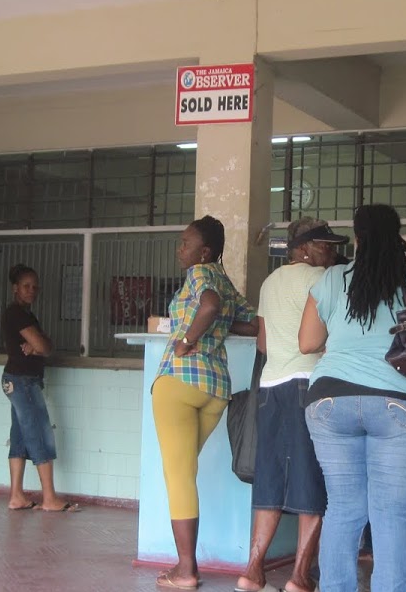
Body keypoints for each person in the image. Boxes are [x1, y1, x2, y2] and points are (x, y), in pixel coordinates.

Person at [299, 204, 406, 592]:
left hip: (330, 401)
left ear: (357, 238)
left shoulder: (331, 279)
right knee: (390, 514)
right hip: (405, 403)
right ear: (398, 236)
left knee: (342, 509)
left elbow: (308, 342)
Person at [235, 217, 349, 592]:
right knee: (311, 480)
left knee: (270, 478)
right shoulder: (324, 281)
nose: (332, 252)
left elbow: (263, 345)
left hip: (271, 387)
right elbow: (331, 337)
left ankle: (253, 571)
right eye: (324, 245)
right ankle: (299, 576)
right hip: (308, 385)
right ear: (301, 248)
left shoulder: (270, 283)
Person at [154, 215, 257, 590]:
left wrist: (186, 340)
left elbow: (209, 307)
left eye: (186, 242)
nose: (180, 248)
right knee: (182, 471)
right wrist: (213, 328)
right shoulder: (225, 281)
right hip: (215, 389)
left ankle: (185, 570)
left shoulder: (200, 275)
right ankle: (185, 565)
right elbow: (252, 324)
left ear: (205, 251)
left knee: (178, 476)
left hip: (179, 382)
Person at [0, 264, 78, 513]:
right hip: (23, 381)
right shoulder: (17, 314)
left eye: (35, 286)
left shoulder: (23, 314)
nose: (32, 290)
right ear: (15, 288)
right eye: (26, 286)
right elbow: (45, 347)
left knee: (21, 437)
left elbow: (45, 345)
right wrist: (40, 345)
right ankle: (49, 498)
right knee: (40, 435)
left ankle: (16, 496)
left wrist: (41, 345)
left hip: (16, 380)